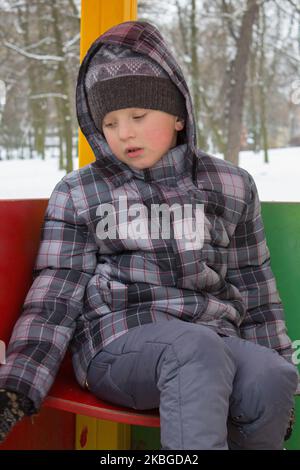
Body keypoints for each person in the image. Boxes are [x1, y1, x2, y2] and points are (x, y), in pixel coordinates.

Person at [0, 20, 298, 450]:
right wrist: (18, 385)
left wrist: (278, 372)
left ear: (179, 114)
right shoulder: (82, 192)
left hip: (213, 341)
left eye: (138, 116)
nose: (124, 132)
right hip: (117, 343)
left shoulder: (230, 186)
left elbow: (254, 286)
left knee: (271, 375)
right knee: (194, 348)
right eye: (110, 122)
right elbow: (54, 295)